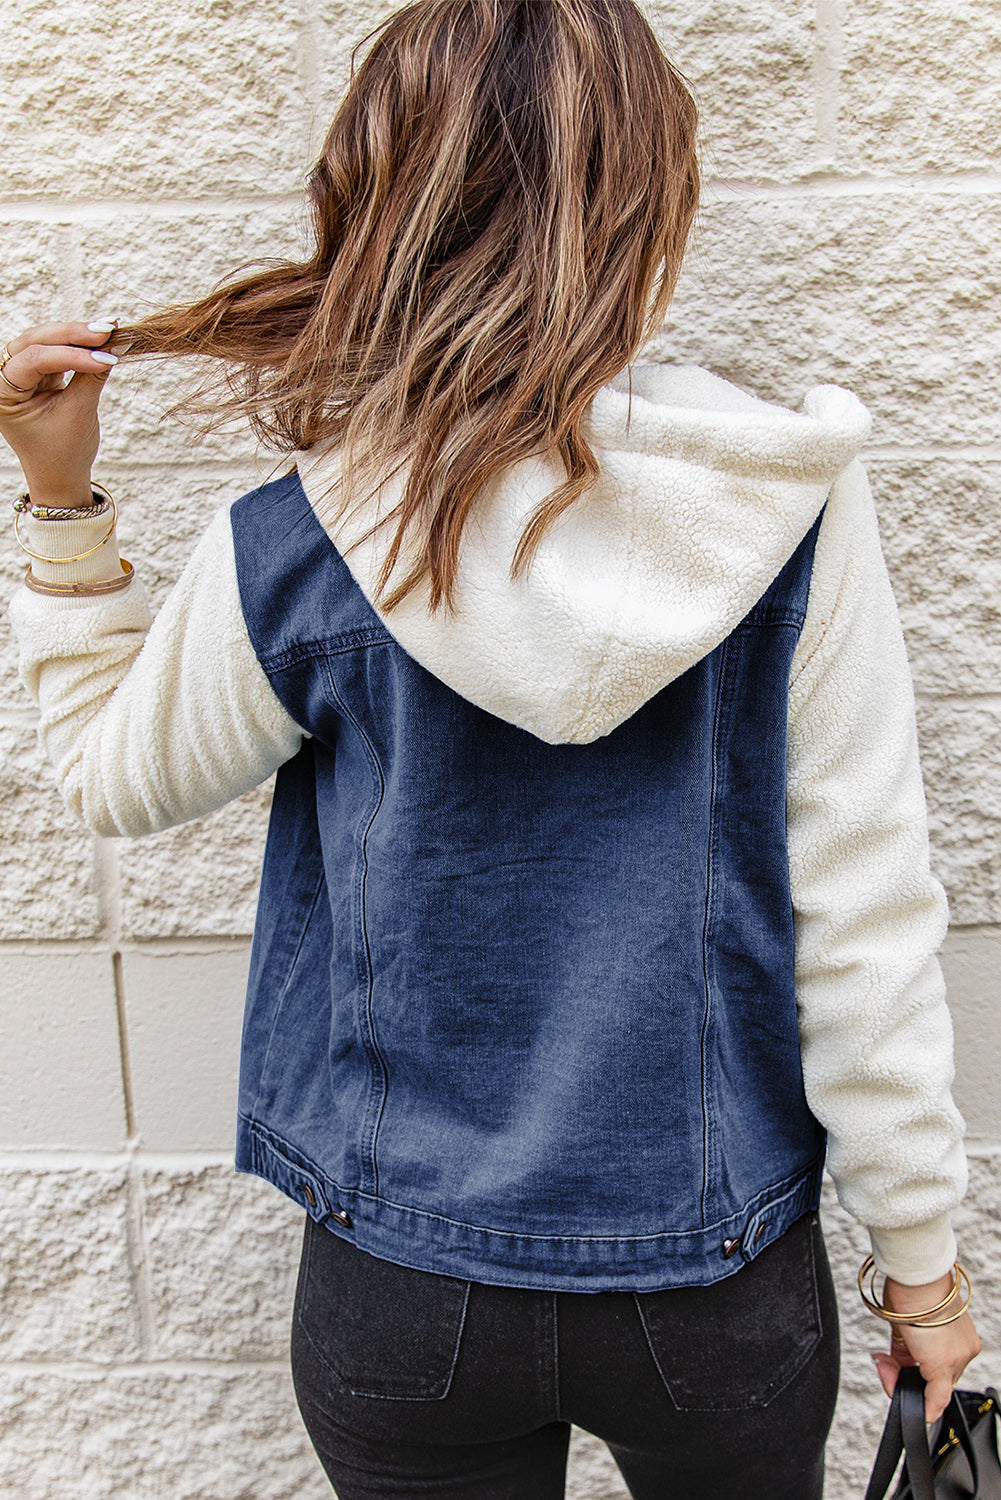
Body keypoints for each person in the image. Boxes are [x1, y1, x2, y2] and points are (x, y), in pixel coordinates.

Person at [0, 2, 983, 1496]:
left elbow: (110, 781)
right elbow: (864, 918)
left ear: (382, 205)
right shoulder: (783, 506)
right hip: (712, 1283)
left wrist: (63, 506)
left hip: (404, 1287)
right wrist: (923, 1269)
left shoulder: (309, 532)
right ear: (650, 202)